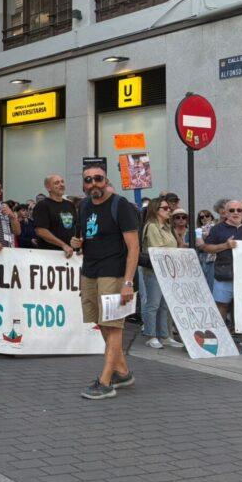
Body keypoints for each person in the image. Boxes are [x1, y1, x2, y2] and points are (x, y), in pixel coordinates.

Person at [69, 163, 140, 400]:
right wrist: (77, 244)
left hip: (114, 272)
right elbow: (86, 236)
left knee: (113, 326)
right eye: (88, 180)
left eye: (98, 179)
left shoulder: (121, 206)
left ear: (106, 180)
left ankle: (105, 381)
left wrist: (128, 282)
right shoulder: (84, 205)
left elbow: (134, 247)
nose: (93, 184)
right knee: (102, 323)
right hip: (89, 271)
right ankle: (122, 372)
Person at [200, 200, 242, 322]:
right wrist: (225, 246)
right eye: (232, 210)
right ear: (225, 213)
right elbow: (207, 248)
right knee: (222, 305)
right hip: (224, 274)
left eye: (239, 210)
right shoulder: (217, 229)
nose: (236, 213)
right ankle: (221, 336)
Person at [138, 197, 183, 350]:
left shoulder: (167, 227)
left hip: (167, 270)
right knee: (154, 303)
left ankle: (164, 335)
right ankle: (151, 335)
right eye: (165, 208)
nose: (169, 210)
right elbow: (158, 248)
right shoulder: (151, 226)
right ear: (155, 210)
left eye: (169, 208)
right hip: (155, 270)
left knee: (164, 304)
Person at [33, 174, 77, 258]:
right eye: (57, 183)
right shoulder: (42, 205)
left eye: (62, 182)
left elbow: (75, 227)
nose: (61, 185)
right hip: (50, 255)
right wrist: (63, 245)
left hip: (71, 254)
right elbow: (41, 231)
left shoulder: (70, 205)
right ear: (48, 188)